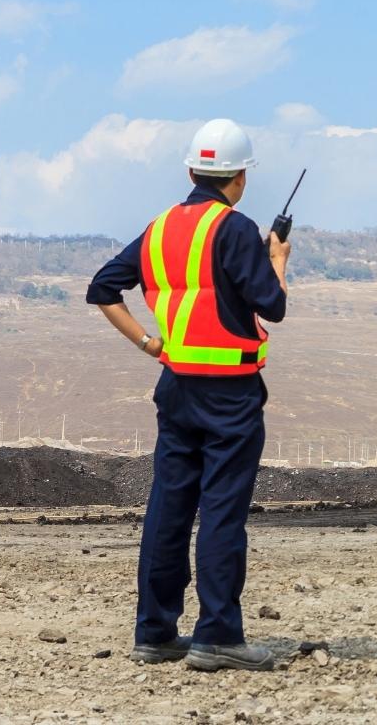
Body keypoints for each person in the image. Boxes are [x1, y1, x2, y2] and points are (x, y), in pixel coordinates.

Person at [86, 118, 290, 672]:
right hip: (231, 396)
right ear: (240, 177)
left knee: (169, 509)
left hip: (176, 389)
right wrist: (278, 261)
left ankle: (154, 633)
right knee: (222, 511)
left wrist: (150, 344)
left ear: (191, 169)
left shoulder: (157, 230)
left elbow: (102, 288)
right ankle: (218, 635)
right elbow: (272, 305)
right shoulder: (236, 228)